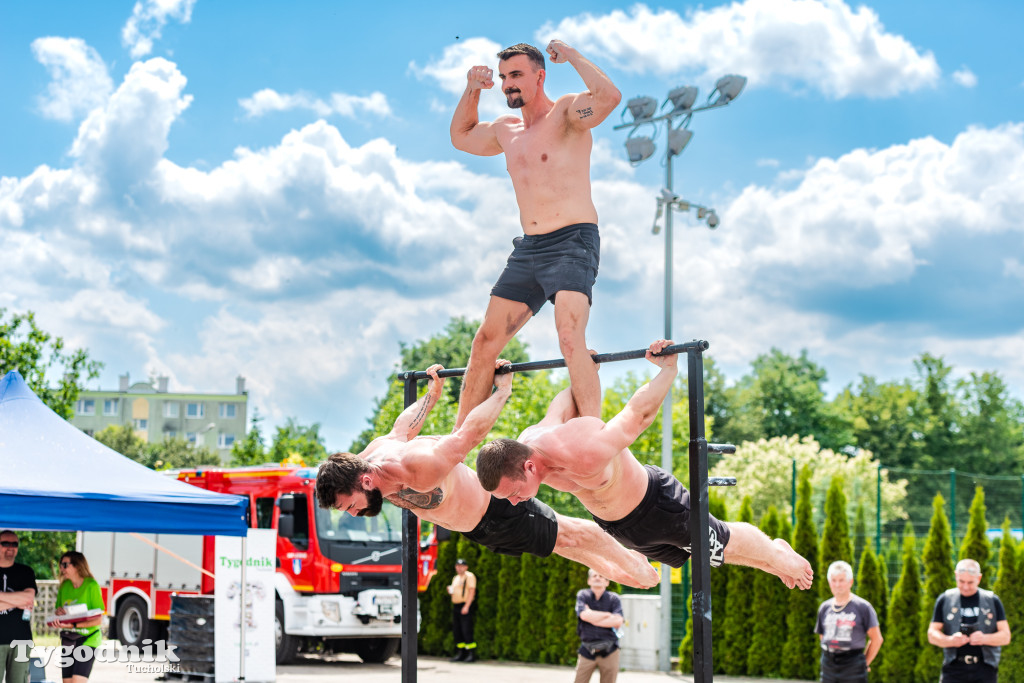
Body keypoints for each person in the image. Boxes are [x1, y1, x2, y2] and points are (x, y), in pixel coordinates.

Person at [476, 339, 814, 590]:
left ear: (529, 468)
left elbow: (637, 415)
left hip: (656, 505)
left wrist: (668, 370)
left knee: (718, 541)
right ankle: (772, 559)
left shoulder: (582, 450)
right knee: (706, 557)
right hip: (620, 526)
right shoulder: (530, 440)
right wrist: (584, 371)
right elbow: (564, 403)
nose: (517, 502)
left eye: (515, 494)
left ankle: (777, 554)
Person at [313, 362, 658, 589]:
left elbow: (469, 435)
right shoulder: (369, 456)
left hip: (495, 511)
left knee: (570, 535)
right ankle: (632, 568)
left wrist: (502, 392)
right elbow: (402, 427)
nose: (354, 513)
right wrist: (432, 394)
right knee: (559, 545)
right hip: (476, 529)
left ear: (366, 482)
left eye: (349, 506)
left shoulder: (417, 468)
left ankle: (641, 570)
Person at [449, 40, 621, 429]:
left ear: (540, 76)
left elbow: (609, 97)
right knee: (484, 343)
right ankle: (458, 444)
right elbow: (460, 136)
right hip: (530, 249)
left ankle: (591, 435)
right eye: (506, 76)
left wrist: (573, 55)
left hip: (573, 242)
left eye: (517, 75)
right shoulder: (505, 131)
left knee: (569, 335)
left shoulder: (567, 113)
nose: (510, 84)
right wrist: (473, 88)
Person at [927, 558, 1011, 683]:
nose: (965, 587)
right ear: (956, 575)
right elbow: (932, 634)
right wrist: (950, 640)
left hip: (985, 669)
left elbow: (1006, 636)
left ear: (979, 578)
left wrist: (984, 638)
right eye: (961, 581)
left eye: (970, 582)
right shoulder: (945, 599)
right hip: (953, 669)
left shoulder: (992, 600)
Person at [815, 560, 882, 683]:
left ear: (850, 582)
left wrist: (864, 663)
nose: (837, 585)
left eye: (841, 580)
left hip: (853, 665)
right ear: (829, 583)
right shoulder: (824, 608)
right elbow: (822, 635)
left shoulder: (863, 607)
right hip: (828, 665)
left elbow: (877, 639)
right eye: (833, 580)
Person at [51, 551, 105, 683]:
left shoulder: (91, 586)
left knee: (77, 681)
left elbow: (98, 620)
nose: (62, 568)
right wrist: (58, 614)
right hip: (69, 638)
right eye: (60, 565)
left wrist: (74, 625)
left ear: (77, 566)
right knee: (67, 682)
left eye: (65, 565)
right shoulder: (64, 586)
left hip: (88, 638)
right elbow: (58, 611)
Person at [574, 569, 623, 683]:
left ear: (607, 582)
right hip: (587, 649)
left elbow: (618, 621)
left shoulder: (614, 598)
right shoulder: (583, 595)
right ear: (589, 581)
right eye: (594, 576)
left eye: (601, 576)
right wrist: (607, 615)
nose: (597, 578)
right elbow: (584, 615)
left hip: (610, 651)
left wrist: (592, 616)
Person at [0, 530, 37, 683]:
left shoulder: (26, 572)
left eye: (14, 544)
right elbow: (24, 600)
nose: (11, 547)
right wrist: (18, 600)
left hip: (21, 641)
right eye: (5, 543)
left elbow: (29, 598)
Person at [447, 559, 477, 662]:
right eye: (457, 566)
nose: (459, 568)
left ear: (466, 567)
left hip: (464, 605)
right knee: (457, 630)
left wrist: (467, 606)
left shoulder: (469, 576)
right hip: (456, 605)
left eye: (461, 566)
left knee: (466, 630)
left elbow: (472, 591)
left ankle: (471, 654)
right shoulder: (455, 578)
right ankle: (461, 653)